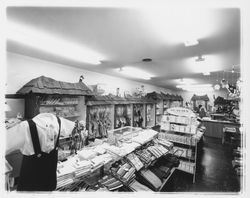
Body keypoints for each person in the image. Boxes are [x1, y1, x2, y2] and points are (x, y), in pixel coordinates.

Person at [6, 113, 75, 191]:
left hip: (31, 186)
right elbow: (72, 127)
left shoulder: (25, 127)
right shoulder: (60, 122)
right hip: (49, 183)